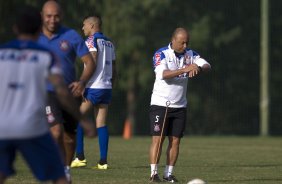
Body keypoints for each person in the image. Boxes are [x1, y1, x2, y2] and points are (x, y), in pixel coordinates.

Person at [0, 6, 94, 184]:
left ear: (15, 29)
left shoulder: (2, 53)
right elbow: (60, 89)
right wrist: (83, 119)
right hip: (30, 126)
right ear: (38, 29)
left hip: (3, 126)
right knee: (59, 177)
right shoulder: (45, 56)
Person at [37, 0, 95, 180]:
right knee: (56, 132)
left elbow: (89, 62)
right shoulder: (33, 36)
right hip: (47, 92)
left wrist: (82, 82)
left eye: (56, 16)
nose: (52, 20)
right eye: (48, 16)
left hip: (71, 94)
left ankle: (66, 171)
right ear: (42, 16)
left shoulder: (71, 35)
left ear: (61, 16)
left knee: (70, 138)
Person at [149, 27, 211, 182]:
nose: (185, 46)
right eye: (182, 42)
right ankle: (153, 173)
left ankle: (168, 173)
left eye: (187, 43)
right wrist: (185, 69)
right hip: (161, 103)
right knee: (158, 138)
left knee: (175, 140)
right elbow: (163, 74)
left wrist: (198, 66)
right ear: (173, 40)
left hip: (180, 105)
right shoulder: (161, 54)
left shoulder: (191, 54)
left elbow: (208, 66)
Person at [70, 14, 116, 170]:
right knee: (101, 123)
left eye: (84, 25)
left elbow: (93, 60)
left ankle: (80, 157)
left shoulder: (91, 40)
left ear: (91, 25)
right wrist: (111, 84)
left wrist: (83, 84)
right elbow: (114, 67)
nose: (82, 28)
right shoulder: (109, 42)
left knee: (76, 117)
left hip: (93, 86)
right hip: (106, 87)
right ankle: (103, 162)